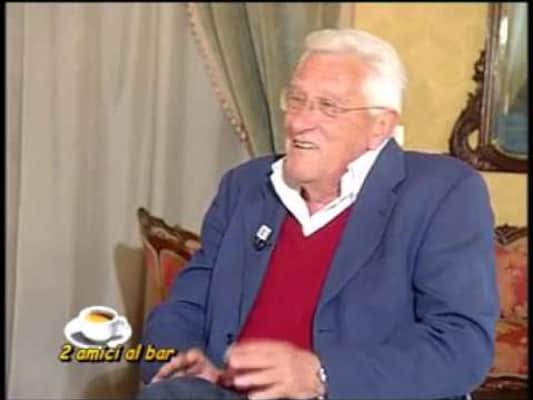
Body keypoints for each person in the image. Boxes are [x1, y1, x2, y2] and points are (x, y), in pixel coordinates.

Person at [137, 29, 498, 400]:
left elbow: (462, 345)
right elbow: (183, 309)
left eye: (328, 106)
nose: (298, 123)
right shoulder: (245, 187)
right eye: (296, 100)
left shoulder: (442, 193)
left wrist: (322, 376)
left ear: (381, 126)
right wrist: (187, 363)